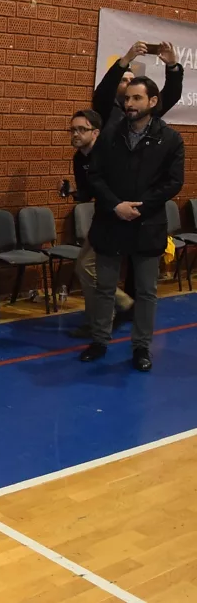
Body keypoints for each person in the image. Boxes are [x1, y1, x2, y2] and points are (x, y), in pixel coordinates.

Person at [82, 77, 185, 372]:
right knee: (104, 287)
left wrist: (140, 207)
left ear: (152, 101)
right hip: (110, 220)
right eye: (127, 98)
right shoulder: (110, 135)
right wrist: (116, 205)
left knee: (146, 291)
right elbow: (95, 176)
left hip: (147, 223)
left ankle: (141, 347)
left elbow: (173, 182)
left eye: (136, 98)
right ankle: (99, 340)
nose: (129, 104)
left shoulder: (170, 139)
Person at [93, 41, 184, 316]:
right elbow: (103, 90)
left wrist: (172, 66)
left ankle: (129, 313)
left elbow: (171, 95)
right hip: (111, 206)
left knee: (141, 281)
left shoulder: (150, 120)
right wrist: (126, 59)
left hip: (141, 211)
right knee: (102, 279)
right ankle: (101, 323)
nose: (130, 95)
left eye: (134, 84)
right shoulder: (109, 114)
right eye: (124, 82)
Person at [67, 110, 134, 339]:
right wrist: (72, 192)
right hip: (102, 216)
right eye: (72, 130)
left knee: (87, 267)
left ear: (96, 133)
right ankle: (115, 308)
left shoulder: (108, 155)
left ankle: (108, 314)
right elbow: (87, 193)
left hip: (118, 217)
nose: (75, 134)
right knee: (84, 267)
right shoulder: (79, 159)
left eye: (81, 129)